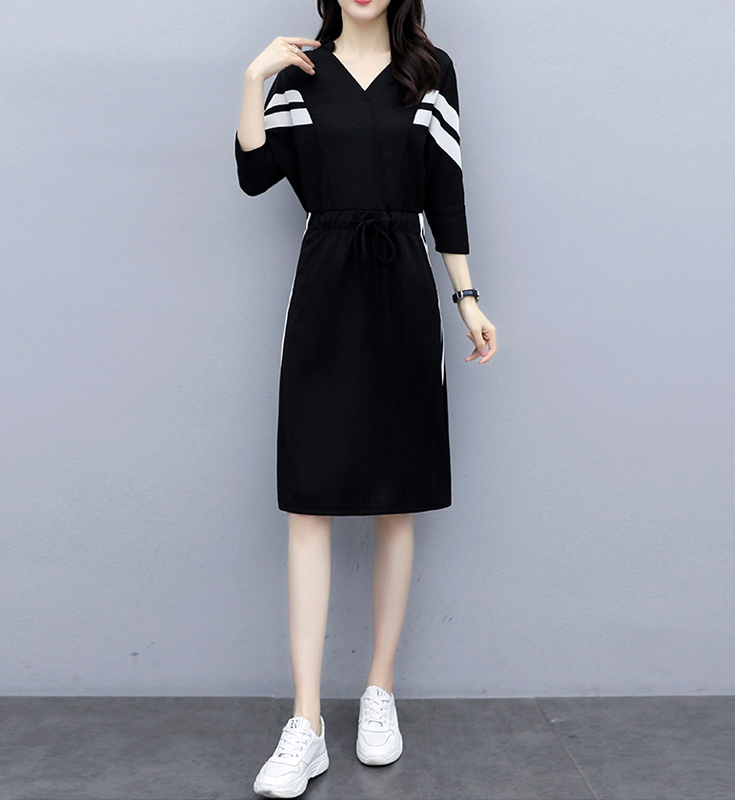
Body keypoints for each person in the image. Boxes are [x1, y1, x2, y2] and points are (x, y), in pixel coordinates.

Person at [235, 0, 497, 796]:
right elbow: (255, 175)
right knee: (309, 502)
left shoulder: (430, 71)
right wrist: (252, 80)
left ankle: (379, 692)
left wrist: (467, 298)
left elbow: (445, 190)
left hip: (403, 287)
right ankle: (307, 723)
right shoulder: (300, 72)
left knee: (396, 498)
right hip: (325, 284)